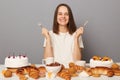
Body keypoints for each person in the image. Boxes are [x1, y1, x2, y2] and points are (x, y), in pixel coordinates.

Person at [42, 3, 84, 67]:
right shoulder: (49, 34)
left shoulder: (77, 34)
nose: (63, 16)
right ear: (56, 17)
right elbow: (48, 61)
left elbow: (77, 61)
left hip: (71, 73)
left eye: (66, 14)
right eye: (60, 14)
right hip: (54, 72)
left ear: (70, 17)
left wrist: (76, 38)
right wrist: (47, 38)